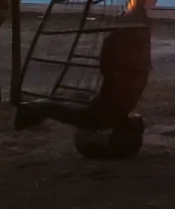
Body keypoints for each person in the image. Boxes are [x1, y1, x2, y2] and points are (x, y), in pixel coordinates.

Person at [15, 25, 151, 131]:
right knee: (74, 95)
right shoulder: (137, 72)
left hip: (98, 117)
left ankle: (27, 117)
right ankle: (35, 113)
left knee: (48, 106)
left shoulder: (119, 77)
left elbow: (109, 100)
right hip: (112, 112)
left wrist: (95, 102)